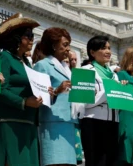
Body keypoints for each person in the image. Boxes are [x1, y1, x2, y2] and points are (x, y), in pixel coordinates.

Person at [0, 14, 43, 166]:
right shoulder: (4, 57)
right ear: (16, 39)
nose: (31, 39)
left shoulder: (26, 62)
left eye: (32, 35)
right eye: (27, 36)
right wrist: (24, 102)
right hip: (11, 119)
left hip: (28, 119)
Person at [32, 28, 76, 166]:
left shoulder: (67, 68)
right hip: (52, 123)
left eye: (69, 45)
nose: (68, 49)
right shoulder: (42, 65)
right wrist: (57, 90)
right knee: (55, 162)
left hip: (68, 121)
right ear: (53, 46)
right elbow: (39, 97)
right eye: (65, 45)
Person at [79, 35, 120, 166]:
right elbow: (82, 102)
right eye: (103, 48)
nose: (108, 52)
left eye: (109, 48)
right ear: (92, 52)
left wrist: (125, 93)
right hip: (93, 123)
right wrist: (109, 91)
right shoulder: (83, 71)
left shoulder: (114, 75)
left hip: (113, 123)